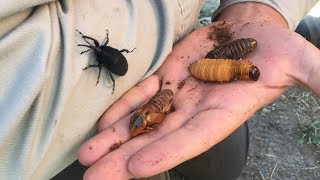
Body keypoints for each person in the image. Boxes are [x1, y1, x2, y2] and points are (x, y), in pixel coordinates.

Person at [0, 0, 319, 179]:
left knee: (224, 163)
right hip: (58, 142)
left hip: (179, 59)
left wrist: (258, 9)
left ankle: (295, 28)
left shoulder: (105, 56)